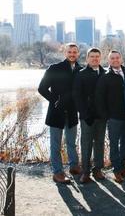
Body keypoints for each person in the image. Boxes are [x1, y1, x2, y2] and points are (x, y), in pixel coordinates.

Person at [38, 43, 82, 184]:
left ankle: (74, 166)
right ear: (65, 53)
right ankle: (58, 172)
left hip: (72, 113)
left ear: (78, 54)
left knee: (71, 143)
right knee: (55, 144)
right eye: (69, 52)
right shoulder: (54, 68)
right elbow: (42, 88)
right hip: (56, 112)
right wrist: (55, 100)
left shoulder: (81, 70)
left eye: (75, 52)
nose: (72, 54)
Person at [95, 50, 125, 184]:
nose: (115, 60)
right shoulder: (105, 76)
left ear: (121, 59)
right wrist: (106, 116)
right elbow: (99, 99)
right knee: (114, 144)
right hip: (114, 117)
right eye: (112, 58)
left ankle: (123, 167)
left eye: (117, 58)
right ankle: (116, 170)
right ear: (108, 60)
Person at [73, 47, 106, 183]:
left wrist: (106, 113)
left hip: (102, 116)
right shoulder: (81, 74)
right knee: (86, 144)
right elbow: (77, 97)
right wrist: (85, 114)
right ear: (87, 58)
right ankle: (86, 172)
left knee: (100, 143)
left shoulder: (105, 73)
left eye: (97, 56)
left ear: (100, 58)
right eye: (92, 56)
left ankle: (97, 169)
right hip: (87, 117)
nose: (95, 59)